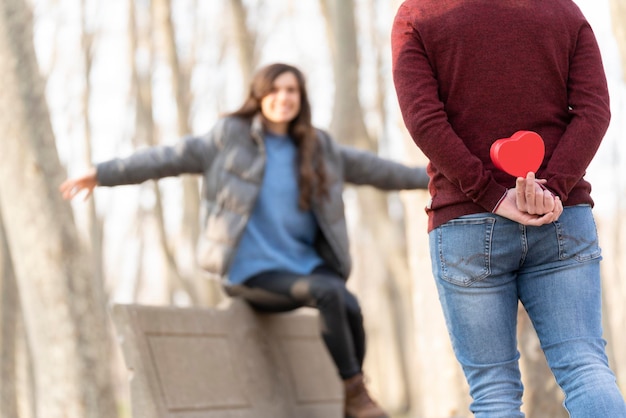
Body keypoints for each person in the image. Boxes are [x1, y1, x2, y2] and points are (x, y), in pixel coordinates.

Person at [60, 62, 429, 418]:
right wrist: (102, 173)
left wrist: (437, 177)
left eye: (292, 90)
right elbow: (165, 159)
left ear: (301, 98)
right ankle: (355, 392)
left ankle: (353, 403)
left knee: (349, 305)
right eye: (275, 89)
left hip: (304, 265)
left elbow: (380, 171)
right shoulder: (228, 138)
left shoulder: (319, 147)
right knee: (330, 292)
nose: (283, 97)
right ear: (259, 94)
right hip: (251, 272)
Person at [391, 1, 626, 417]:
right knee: (586, 368)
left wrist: (491, 193)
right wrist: (551, 189)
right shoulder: (563, 11)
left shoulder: (420, 14)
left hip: (466, 221)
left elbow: (424, 120)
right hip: (560, 217)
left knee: (493, 392)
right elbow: (594, 111)